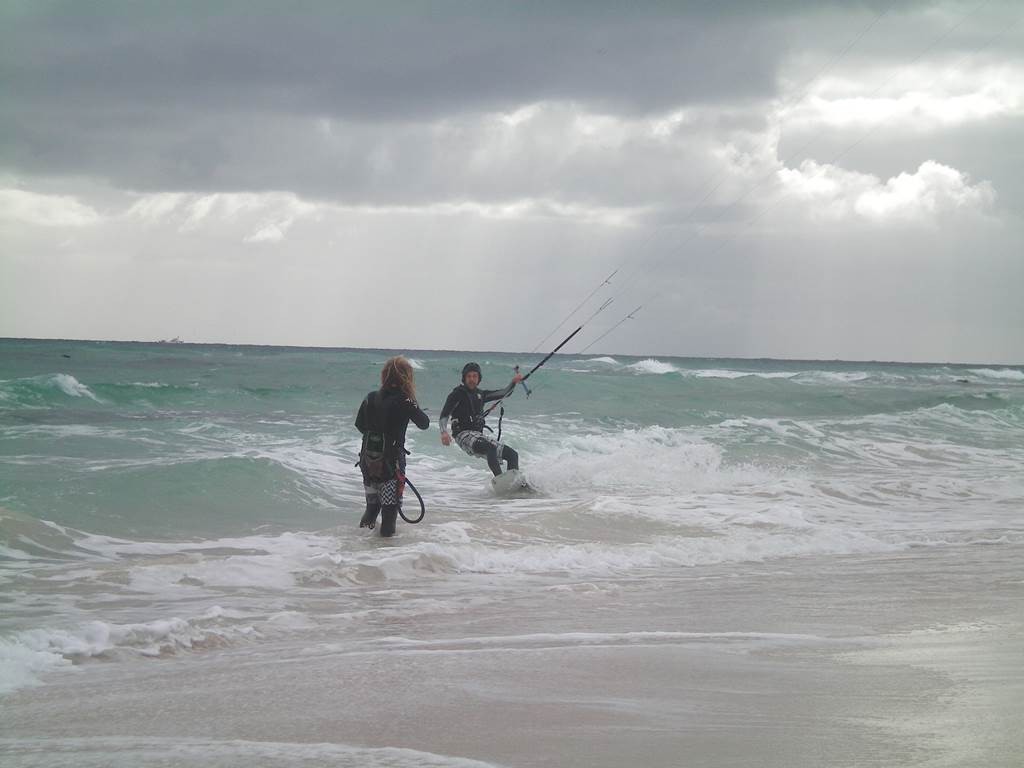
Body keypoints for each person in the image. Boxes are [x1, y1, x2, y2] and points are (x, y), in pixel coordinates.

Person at [355, 356, 429, 537]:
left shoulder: (370, 397)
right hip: (390, 467)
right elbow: (424, 423)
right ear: (407, 378)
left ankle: (358, 548)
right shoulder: (405, 400)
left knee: (372, 508)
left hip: (368, 462)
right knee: (389, 515)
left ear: (385, 376)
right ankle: (383, 558)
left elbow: (360, 426)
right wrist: (413, 402)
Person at [439, 362, 523, 476]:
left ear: (479, 378)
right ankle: (500, 480)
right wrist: (444, 432)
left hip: (478, 436)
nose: (471, 379)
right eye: (469, 376)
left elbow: (504, 393)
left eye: (474, 376)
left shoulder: (481, 395)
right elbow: (444, 415)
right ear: (464, 378)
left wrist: (513, 382)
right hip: (463, 434)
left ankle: (514, 481)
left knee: (512, 454)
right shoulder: (457, 394)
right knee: (490, 448)